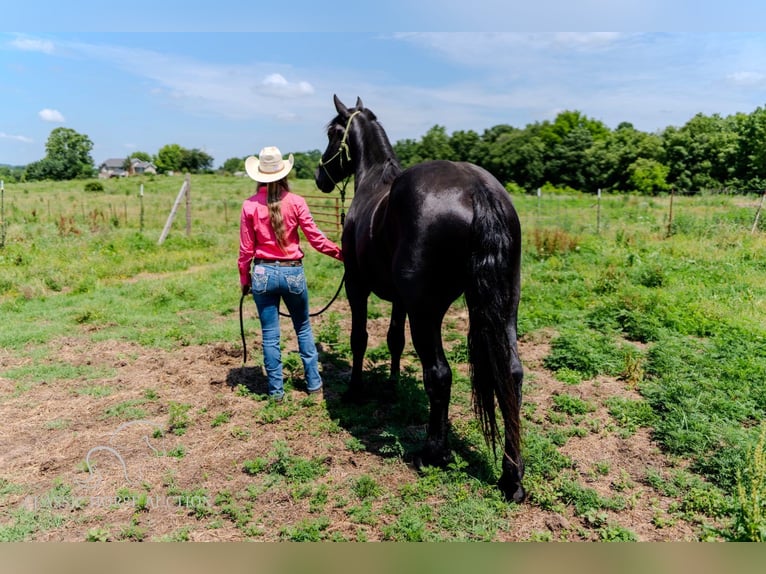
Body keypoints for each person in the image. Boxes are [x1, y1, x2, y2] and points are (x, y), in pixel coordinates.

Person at [238, 146, 343, 401]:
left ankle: (276, 392)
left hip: (262, 272)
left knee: (270, 336)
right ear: (284, 174)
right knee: (303, 328)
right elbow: (317, 239)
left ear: (258, 175)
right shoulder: (296, 202)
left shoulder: (249, 206)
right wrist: (342, 254)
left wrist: (245, 279)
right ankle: (314, 385)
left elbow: (245, 250)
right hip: (292, 272)